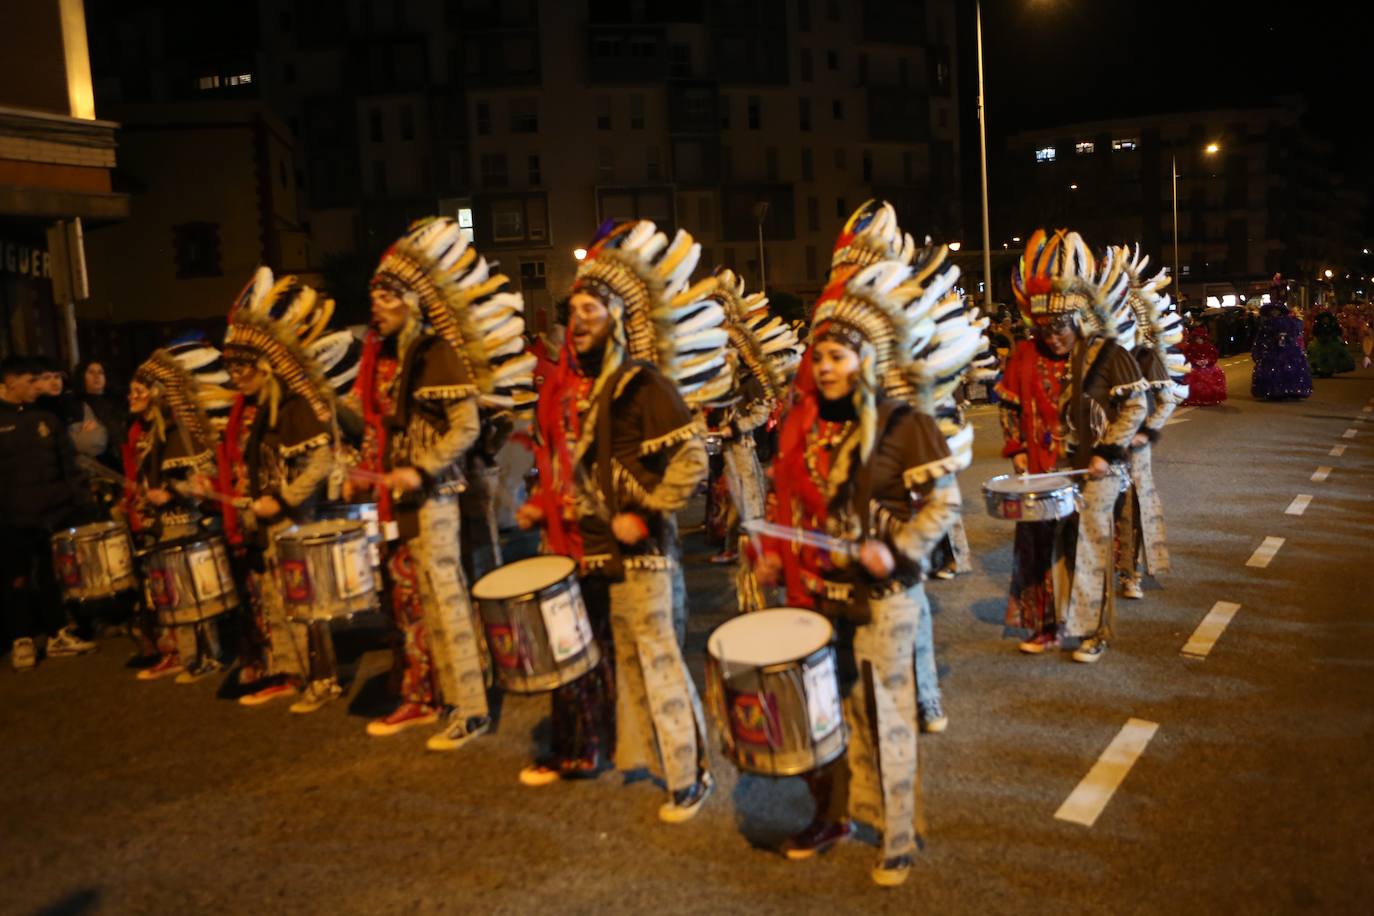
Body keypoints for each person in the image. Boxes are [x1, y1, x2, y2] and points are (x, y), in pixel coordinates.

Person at [753, 241, 975, 886]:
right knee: (824, 714)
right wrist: (772, 555)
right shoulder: (800, 425)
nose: (824, 368)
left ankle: (898, 834)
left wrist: (897, 547)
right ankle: (834, 815)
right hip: (818, 596)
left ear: (866, 360)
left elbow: (943, 507)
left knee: (886, 715)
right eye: (818, 356)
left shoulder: (906, 425)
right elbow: (783, 502)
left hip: (885, 598)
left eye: (837, 356)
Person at [516, 219, 719, 821]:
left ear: (620, 320)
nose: (578, 321)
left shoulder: (644, 381)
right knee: (610, 660)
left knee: (656, 659)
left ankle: (692, 773)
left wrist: (648, 510)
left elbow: (688, 460)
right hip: (586, 548)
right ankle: (628, 754)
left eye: (592, 309)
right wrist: (544, 504)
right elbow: (565, 464)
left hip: (642, 550)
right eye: (573, 308)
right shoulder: (564, 387)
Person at [349, 217, 535, 750]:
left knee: (448, 603)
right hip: (407, 501)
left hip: (437, 498)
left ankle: (471, 710)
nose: (377, 305)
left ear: (411, 299)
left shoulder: (435, 354)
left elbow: (467, 427)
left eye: (386, 295)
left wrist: (422, 467)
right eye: (374, 296)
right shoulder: (392, 359)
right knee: (425, 606)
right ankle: (439, 696)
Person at [998, 231, 1148, 663]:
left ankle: (1091, 632)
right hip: (1042, 471)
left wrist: (1107, 452)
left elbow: (1135, 405)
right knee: (1036, 548)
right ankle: (1045, 626)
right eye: (1043, 328)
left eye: (1060, 327)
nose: (1053, 337)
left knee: (1086, 549)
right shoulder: (1024, 355)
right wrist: (1017, 449)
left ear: (1078, 320)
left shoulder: (1106, 353)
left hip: (1094, 472)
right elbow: (1008, 407)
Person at [216, 269, 358, 712]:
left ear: (264, 368)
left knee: (306, 600)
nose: (236, 376)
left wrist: (283, 499)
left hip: (295, 521)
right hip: (268, 522)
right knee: (276, 600)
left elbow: (320, 461)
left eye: (242, 368)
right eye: (232, 369)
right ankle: (291, 672)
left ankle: (323, 679)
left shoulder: (294, 407)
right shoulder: (256, 409)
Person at [123, 342, 234, 682]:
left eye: (138, 391)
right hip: (161, 526)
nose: (131, 396)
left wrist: (170, 491)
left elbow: (203, 481)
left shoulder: (180, 433)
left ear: (156, 394)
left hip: (186, 524)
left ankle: (205, 656)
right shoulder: (140, 433)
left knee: (192, 595)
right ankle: (185, 655)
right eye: (130, 391)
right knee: (171, 595)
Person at [702, 268, 801, 611]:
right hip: (729, 441)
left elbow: (762, 400)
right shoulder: (724, 345)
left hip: (742, 442)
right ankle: (738, 551)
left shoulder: (744, 348)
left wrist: (737, 426)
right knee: (735, 497)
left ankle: (754, 578)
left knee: (748, 501)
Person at [1, 356, 97, 670]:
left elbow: (67, 461)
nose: (38, 387)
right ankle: (22, 639)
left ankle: (57, 633)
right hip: (11, 517)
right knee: (16, 579)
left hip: (51, 513)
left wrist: (73, 497)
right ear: (10, 381)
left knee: (50, 576)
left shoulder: (46, 416)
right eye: (31, 381)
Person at [1114, 246, 1185, 599]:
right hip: (1097, 445)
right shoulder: (1093, 355)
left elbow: (1166, 400)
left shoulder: (1143, 355)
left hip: (1132, 450)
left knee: (1130, 509)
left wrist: (1143, 433)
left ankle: (1130, 573)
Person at [1250, 276, 1313, 401]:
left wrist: (1285, 337)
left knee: (1287, 367)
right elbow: (1261, 337)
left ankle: (1289, 389)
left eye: (1276, 311)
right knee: (1272, 369)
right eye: (1272, 311)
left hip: (1287, 349)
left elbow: (1295, 332)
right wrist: (1260, 348)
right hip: (1271, 349)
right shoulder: (1266, 324)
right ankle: (1272, 390)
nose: (1274, 313)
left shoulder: (1289, 322)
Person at [75, 359, 129, 471]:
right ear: (82, 377)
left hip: (126, 455)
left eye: (101, 372)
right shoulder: (77, 406)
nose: (97, 376)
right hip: (104, 464)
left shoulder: (120, 401)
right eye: (91, 372)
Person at [1306, 310, 1356, 378]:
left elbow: (1338, 332)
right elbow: (1315, 332)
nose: (1325, 320)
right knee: (1314, 351)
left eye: (1327, 318)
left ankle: (1329, 369)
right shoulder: (1318, 325)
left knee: (1334, 352)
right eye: (1324, 318)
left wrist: (1332, 335)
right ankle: (1318, 369)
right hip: (1320, 342)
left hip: (1331, 342)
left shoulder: (1333, 324)